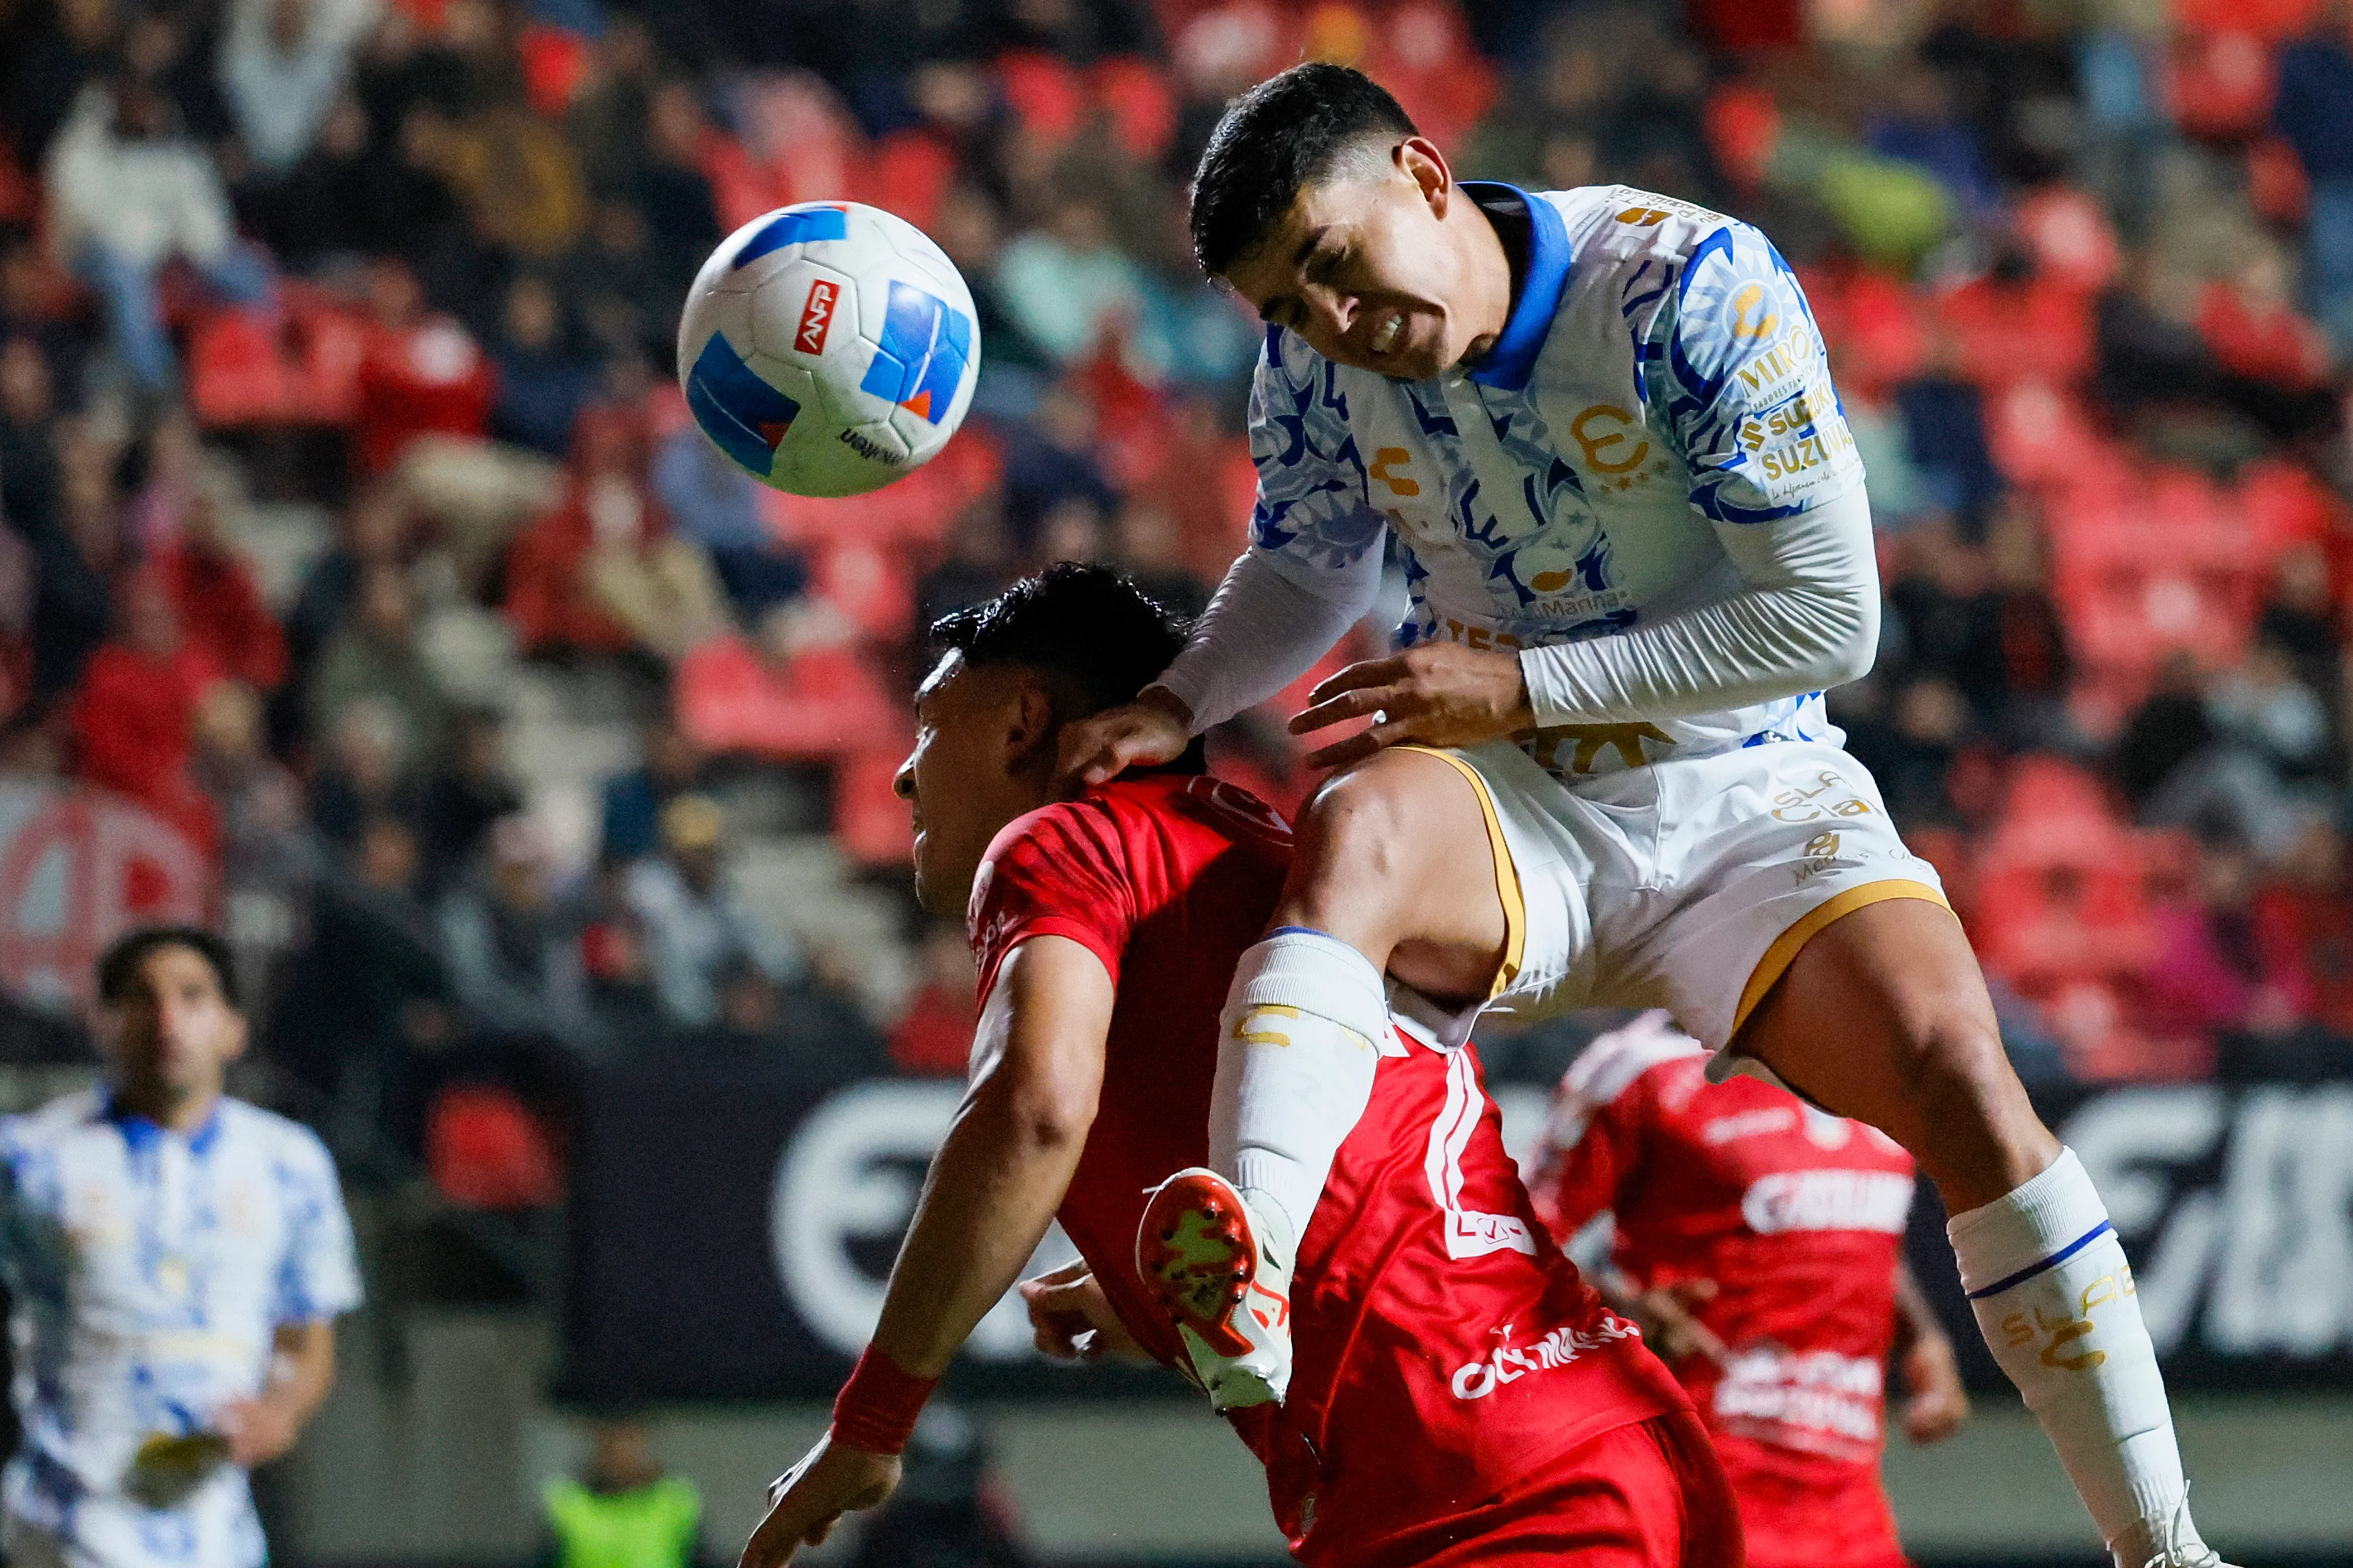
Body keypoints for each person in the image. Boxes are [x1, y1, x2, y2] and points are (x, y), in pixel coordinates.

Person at [1054, 62, 2226, 1568]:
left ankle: (2170, 1551)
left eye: (1335, 269)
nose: (1329, 325)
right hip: (1520, 798)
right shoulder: (1317, 368)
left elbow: (1828, 616)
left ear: (1422, 177)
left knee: (1963, 1076)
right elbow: (1311, 566)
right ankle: (1251, 1268)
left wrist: (1529, 683)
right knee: (1355, 829)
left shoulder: (1687, 283)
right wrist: (1183, 694)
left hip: (1746, 790)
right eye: (1288, 306)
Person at [740, 565, 1732, 1568]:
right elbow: (1360, 1174)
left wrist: (873, 1419)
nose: (906, 773)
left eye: (927, 722)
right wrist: (1140, 1291)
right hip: (1601, 1429)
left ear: (1020, 721)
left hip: (1484, 1486)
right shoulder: (1259, 853)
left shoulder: (1059, 841)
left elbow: (1034, 1107)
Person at [1527, 1012, 1970, 1568]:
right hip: (1694, 1506)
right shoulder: (1643, 1066)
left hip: (1851, 1519)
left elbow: (1843, 1218)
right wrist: (1619, 1310)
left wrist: (1925, 1338)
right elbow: (1513, 1242)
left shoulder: (1874, 1059)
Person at [0, 926, 361, 1568]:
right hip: (59, 1529)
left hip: (215, 1535)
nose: (168, 1021)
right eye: (142, 999)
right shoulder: (33, 1159)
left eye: (193, 997)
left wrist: (277, 1413)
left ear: (233, 1027)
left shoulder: (289, 1165)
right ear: (106, 1024)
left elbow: (307, 1343)